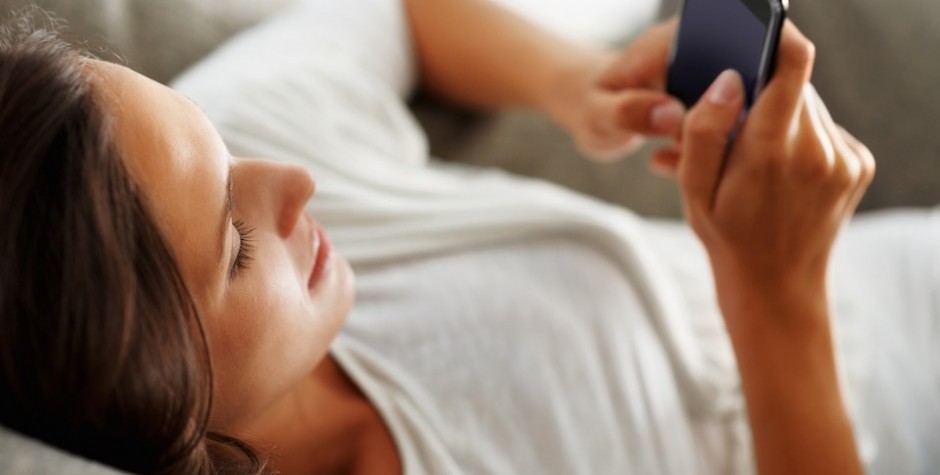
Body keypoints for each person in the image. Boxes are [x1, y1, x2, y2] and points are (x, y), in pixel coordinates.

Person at [0, 0, 937, 474]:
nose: (295, 181)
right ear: (154, 404)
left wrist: (578, 83)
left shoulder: (245, 143)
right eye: (237, 247)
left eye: (224, 147)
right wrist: (777, 296)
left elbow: (403, 14)